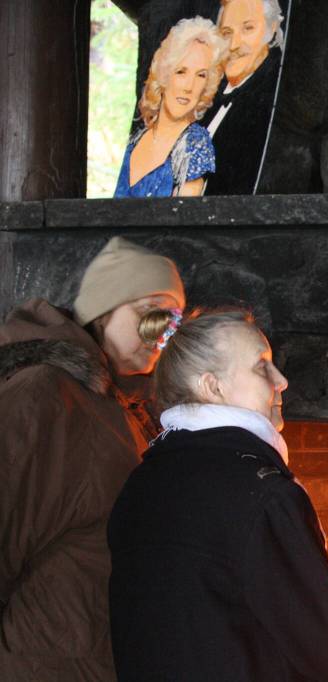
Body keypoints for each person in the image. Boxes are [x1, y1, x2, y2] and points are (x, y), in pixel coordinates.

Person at [107, 310, 328, 680]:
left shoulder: (140, 485)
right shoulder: (260, 493)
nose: (282, 382)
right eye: (262, 368)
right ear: (212, 387)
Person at [0, 237, 185, 680]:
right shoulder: (43, 393)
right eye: (150, 313)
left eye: (173, 320)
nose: (161, 333)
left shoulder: (131, 409)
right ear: (103, 311)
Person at [114, 17, 227, 198]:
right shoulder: (137, 138)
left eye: (201, 75)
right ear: (164, 73)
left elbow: (182, 220)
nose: (189, 86)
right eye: (181, 71)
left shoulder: (195, 144)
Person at [199, 0, 287, 195]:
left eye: (248, 28)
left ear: (272, 28)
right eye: (227, 33)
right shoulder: (204, 94)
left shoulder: (274, 99)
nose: (234, 45)